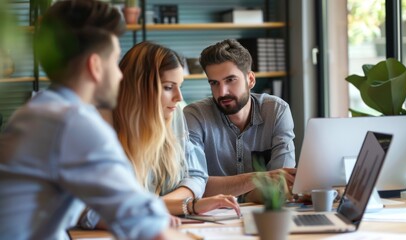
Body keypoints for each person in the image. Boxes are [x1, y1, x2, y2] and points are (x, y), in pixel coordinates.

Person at [0, 1, 171, 239]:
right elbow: (147, 226)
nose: (120, 74)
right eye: (114, 61)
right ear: (96, 66)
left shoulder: (34, 111)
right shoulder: (73, 121)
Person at [79, 41, 240, 229]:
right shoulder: (95, 126)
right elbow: (88, 212)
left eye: (179, 86)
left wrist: (176, 206)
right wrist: (179, 207)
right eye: (168, 87)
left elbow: (195, 176)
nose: (179, 97)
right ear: (140, 88)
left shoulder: (175, 112)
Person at [183, 39, 297, 203]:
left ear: (250, 80)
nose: (222, 92)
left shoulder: (276, 111)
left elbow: (282, 184)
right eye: (214, 83)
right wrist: (259, 179)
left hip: (264, 215)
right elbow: (195, 185)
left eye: (230, 80)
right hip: (213, 219)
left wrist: (234, 192)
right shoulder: (195, 116)